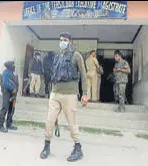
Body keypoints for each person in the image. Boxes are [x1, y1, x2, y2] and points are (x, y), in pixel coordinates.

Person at [40, 32, 88, 162]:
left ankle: (78, 148)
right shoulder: (57, 56)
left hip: (70, 95)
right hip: (55, 94)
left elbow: (83, 74)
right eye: (61, 40)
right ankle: (46, 146)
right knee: (49, 121)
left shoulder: (76, 55)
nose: (62, 42)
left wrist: (85, 93)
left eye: (65, 40)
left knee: (72, 124)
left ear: (70, 42)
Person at [0, 61, 19, 133]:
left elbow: (16, 83)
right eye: (13, 65)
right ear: (9, 66)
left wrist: (15, 91)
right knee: (5, 108)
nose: (14, 66)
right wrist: (13, 89)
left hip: (13, 94)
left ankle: (9, 124)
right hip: (7, 93)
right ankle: (0, 125)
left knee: (12, 109)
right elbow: (5, 83)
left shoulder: (13, 73)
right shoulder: (6, 72)